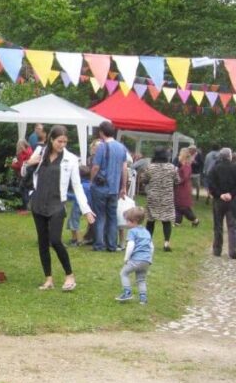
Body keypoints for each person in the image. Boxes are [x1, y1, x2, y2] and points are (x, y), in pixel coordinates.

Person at [23, 125, 95, 291]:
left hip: (56, 204)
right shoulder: (40, 153)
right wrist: (29, 163)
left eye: (65, 142)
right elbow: (23, 172)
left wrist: (86, 210)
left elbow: (77, 186)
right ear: (51, 139)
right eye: (59, 141)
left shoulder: (70, 159)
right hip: (38, 202)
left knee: (55, 240)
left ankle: (69, 275)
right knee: (43, 242)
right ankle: (48, 278)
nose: (62, 145)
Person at [88, 120, 128, 252]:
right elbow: (124, 169)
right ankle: (112, 245)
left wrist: (91, 180)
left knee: (100, 216)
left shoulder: (102, 147)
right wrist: (123, 187)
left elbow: (95, 167)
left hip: (101, 187)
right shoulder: (122, 148)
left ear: (101, 132)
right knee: (112, 217)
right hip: (114, 189)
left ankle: (99, 244)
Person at [206, 148, 236, 259]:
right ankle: (233, 251)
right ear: (230, 156)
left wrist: (220, 194)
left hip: (218, 200)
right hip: (232, 200)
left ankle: (217, 249)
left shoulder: (214, 169)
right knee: (232, 226)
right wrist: (231, 194)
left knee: (218, 225)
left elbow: (211, 185)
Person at [141, 147, 178, 253]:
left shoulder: (150, 167)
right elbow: (177, 180)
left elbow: (144, 180)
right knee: (166, 221)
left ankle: (148, 242)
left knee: (150, 220)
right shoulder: (172, 168)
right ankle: (166, 243)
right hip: (167, 197)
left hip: (153, 196)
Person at [116, 206, 153, 305]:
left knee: (123, 273)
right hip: (146, 260)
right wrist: (150, 258)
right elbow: (151, 246)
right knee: (141, 279)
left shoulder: (132, 232)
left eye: (128, 221)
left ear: (134, 221)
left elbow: (130, 245)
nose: (126, 223)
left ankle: (127, 292)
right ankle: (143, 299)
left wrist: (126, 258)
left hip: (136, 260)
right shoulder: (146, 232)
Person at [173, 146, 201, 226]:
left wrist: (177, 180)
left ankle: (195, 220)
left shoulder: (186, 166)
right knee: (178, 205)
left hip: (183, 188)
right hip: (180, 188)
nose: (178, 156)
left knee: (183, 206)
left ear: (183, 156)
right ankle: (177, 222)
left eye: (180, 154)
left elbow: (184, 177)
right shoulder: (182, 165)